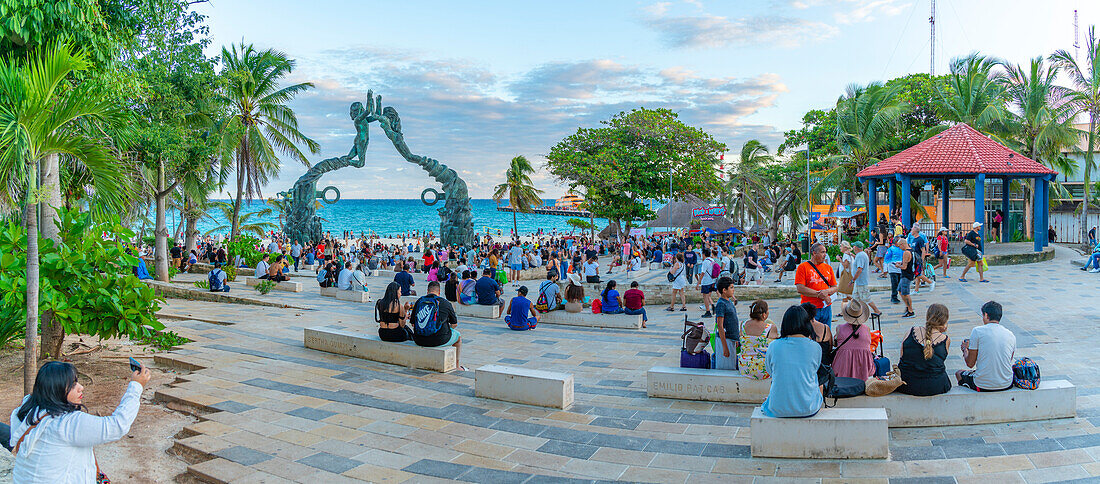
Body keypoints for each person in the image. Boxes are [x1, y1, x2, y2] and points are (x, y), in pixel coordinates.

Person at [10, 360, 151, 483]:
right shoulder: (67, 423)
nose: (80, 387)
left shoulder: (24, 410)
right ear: (56, 390)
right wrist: (136, 386)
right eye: (72, 385)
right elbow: (117, 426)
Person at [760, 305, 823, 418]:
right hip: (808, 408)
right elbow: (814, 370)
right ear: (806, 324)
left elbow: (771, 372)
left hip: (778, 408)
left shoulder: (774, 346)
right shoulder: (815, 347)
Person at [956, 301, 1016, 392]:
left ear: (986, 315)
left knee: (958, 373)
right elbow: (1007, 360)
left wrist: (965, 349)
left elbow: (970, 364)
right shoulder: (1010, 334)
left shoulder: (977, 331)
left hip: (982, 385)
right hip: (1007, 383)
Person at [897, 304, 952, 396]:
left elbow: (902, 357)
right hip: (936, 385)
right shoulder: (945, 339)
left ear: (928, 316)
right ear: (945, 320)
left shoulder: (912, 330)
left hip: (907, 384)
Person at [410, 281, 465, 370]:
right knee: (458, 337)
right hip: (439, 340)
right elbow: (454, 324)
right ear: (439, 292)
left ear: (427, 291)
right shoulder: (446, 303)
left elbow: (413, 323)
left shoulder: (420, 301)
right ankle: (457, 366)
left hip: (419, 339)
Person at [795, 243, 838, 327]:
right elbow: (800, 288)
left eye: (825, 252)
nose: (825, 255)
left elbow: (835, 287)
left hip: (826, 307)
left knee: (826, 332)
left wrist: (826, 291)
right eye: (822, 252)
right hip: (810, 308)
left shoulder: (828, 268)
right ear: (814, 253)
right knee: (810, 334)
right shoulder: (802, 267)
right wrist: (820, 295)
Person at [831, 301, 876, 380]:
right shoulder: (867, 329)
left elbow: (835, 343)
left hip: (842, 369)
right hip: (864, 370)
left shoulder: (839, 328)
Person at [739, 299, 777, 379]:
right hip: (764, 370)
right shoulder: (770, 327)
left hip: (744, 368)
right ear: (764, 314)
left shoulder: (743, 325)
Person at [711, 276, 740, 370]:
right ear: (724, 290)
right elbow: (720, 325)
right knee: (725, 367)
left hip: (731, 339)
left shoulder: (729, 301)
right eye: (731, 287)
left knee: (731, 366)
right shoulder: (721, 304)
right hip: (725, 340)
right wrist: (725, 347)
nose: (733, 290)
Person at [850, 242, 881, 316]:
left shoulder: (860, 256)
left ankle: (877, 311)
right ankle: (857, 313)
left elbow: (859, 269)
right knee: (855, 298)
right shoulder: (861, 255)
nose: (853, 248)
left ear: (856, 247)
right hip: (859, 281)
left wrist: (853, 280)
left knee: (866, 299)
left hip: (861, 281)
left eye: (854, 246)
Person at [894, 237, 916, 318]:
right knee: (900, 290)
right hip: (908, 274)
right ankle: (908, 307)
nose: (899, 248)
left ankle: (911, 311)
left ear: (903, 244)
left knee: (906, 294)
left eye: (899, 246)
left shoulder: (906, 253)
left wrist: (897, 266)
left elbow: (904, 267)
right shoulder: (911, 250)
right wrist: (901, 263)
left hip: (906, 275)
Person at [698, 248, 717, 318]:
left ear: (703, 254)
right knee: (708, 296)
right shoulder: (712, 260)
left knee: (705, 297)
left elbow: (702, 273)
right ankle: (712, 306)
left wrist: (698, 283)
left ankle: (708, 311)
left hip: (706, 282)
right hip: (712, 281)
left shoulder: (705, 262)